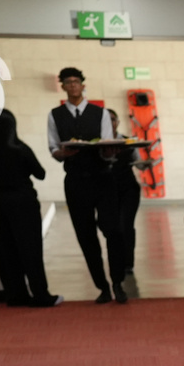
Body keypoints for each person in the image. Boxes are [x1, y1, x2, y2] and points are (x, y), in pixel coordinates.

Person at [46, 67, 128, 304]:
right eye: (68, 82)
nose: (72, 85)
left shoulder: (99, 113)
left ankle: (118, 282)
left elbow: (106, 143)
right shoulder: (55, 115)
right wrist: (62, 153)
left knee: (113, 230)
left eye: (76, 81)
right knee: (85, 235)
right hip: (75, 180)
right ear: (62, 86)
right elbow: (53, 147)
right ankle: (102, 287)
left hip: (102, 177)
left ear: (83, 85)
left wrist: (109, 152)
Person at [0, 109, 58, 307]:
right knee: (30, 248)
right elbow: (40, 174)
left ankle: (15, 294)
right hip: (22, 199)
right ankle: (40, 294)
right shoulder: (20, 149)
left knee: (6, 248)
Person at [102, 108, 142, 275]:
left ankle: (128, 263)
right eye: (107, 119)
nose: (111, 122)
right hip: (107, 191)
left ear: (118, 122)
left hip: (128, 189)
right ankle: (116, 262)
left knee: (126, 225)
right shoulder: (98, 143)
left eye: (113, 119)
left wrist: (146, 163)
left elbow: (139, 163)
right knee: (112, 228)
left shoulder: (128, 142)